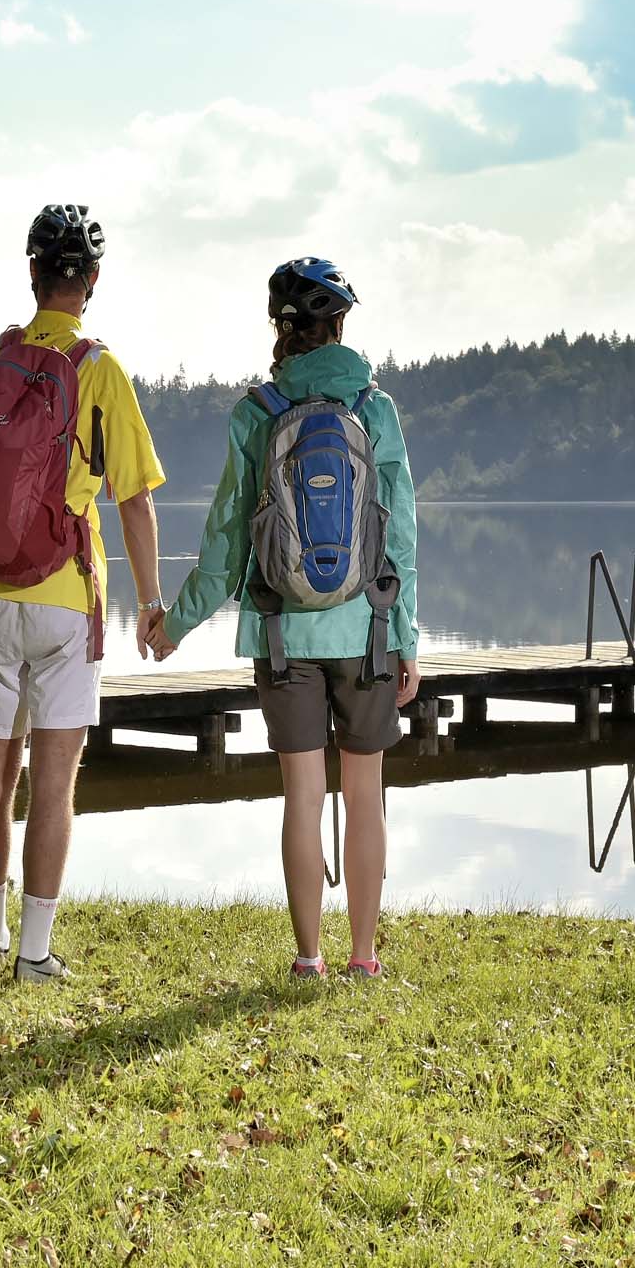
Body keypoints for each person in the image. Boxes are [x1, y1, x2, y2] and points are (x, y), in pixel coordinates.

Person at [143, 257, 419, 980]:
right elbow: (400, 538)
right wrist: (408, 638)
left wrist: (176, 623)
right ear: (340, 325)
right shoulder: (375, 409)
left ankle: (308, 958)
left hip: (281, 633)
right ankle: (364, 959)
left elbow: (227, 541)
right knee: (364, 794)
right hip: (367, 631)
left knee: (302, 795)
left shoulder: (257, 413)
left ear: (280, 328)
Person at [0, 203, 166, 983]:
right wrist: (150, 601)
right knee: (53, 784)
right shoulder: (99, 368)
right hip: (66, 596)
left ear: (33, 272)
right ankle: (34, 956)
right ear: (92, 280)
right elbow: (133, 499)